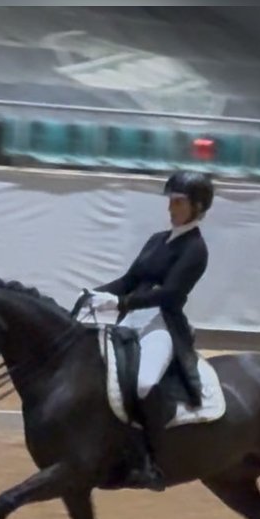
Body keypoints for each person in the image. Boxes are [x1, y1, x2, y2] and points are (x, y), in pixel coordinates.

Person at [86, 169, 213, 491]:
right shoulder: (157, 240)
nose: (171, 208)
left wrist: (120, 303)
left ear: (198, 206)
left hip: (161, 324)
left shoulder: (195, 249)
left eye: (179, 202)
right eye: (170, 201)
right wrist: (94, 294)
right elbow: (129, 280)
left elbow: (170, 294)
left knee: (143, 383)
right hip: (131, 319)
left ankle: (150, 461)